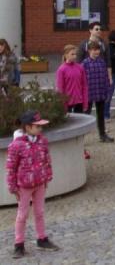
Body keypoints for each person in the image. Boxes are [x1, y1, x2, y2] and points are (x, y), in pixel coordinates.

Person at [6, 111, 60, 259]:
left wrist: (47, 177)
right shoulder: (16, 145)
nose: (40, 129)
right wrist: (12, 187)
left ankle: (42, 239)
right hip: (24, 187)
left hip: (40, 183)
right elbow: (11, 168)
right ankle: (19, 244)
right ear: (28, 127)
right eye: (37, 126)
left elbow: (47, 160)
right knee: (22, 215)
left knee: (39, 212)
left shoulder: (42, 141)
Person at [82, 41, 114, 143]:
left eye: (98, 50)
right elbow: (82, 80)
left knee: (101, 115)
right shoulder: (85, 64)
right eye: (94, 50)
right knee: (85, 116)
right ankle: (81, 138)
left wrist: (107, 90)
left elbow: (105, 78)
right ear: (89, 51)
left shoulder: (102, 62)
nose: (96, 52)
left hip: (100, 92)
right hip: (89, 93)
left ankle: (102, 134)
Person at [56, 45, 88, 114]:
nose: (74, 56)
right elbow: (60, 88)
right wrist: (63, 104)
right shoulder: (61, 69)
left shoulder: (80, 68)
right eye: (72, 54)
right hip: (68, 103)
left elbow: (84, 86)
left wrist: (85, 102)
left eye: (75, 54)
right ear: (66, 55)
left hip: (79, 101)